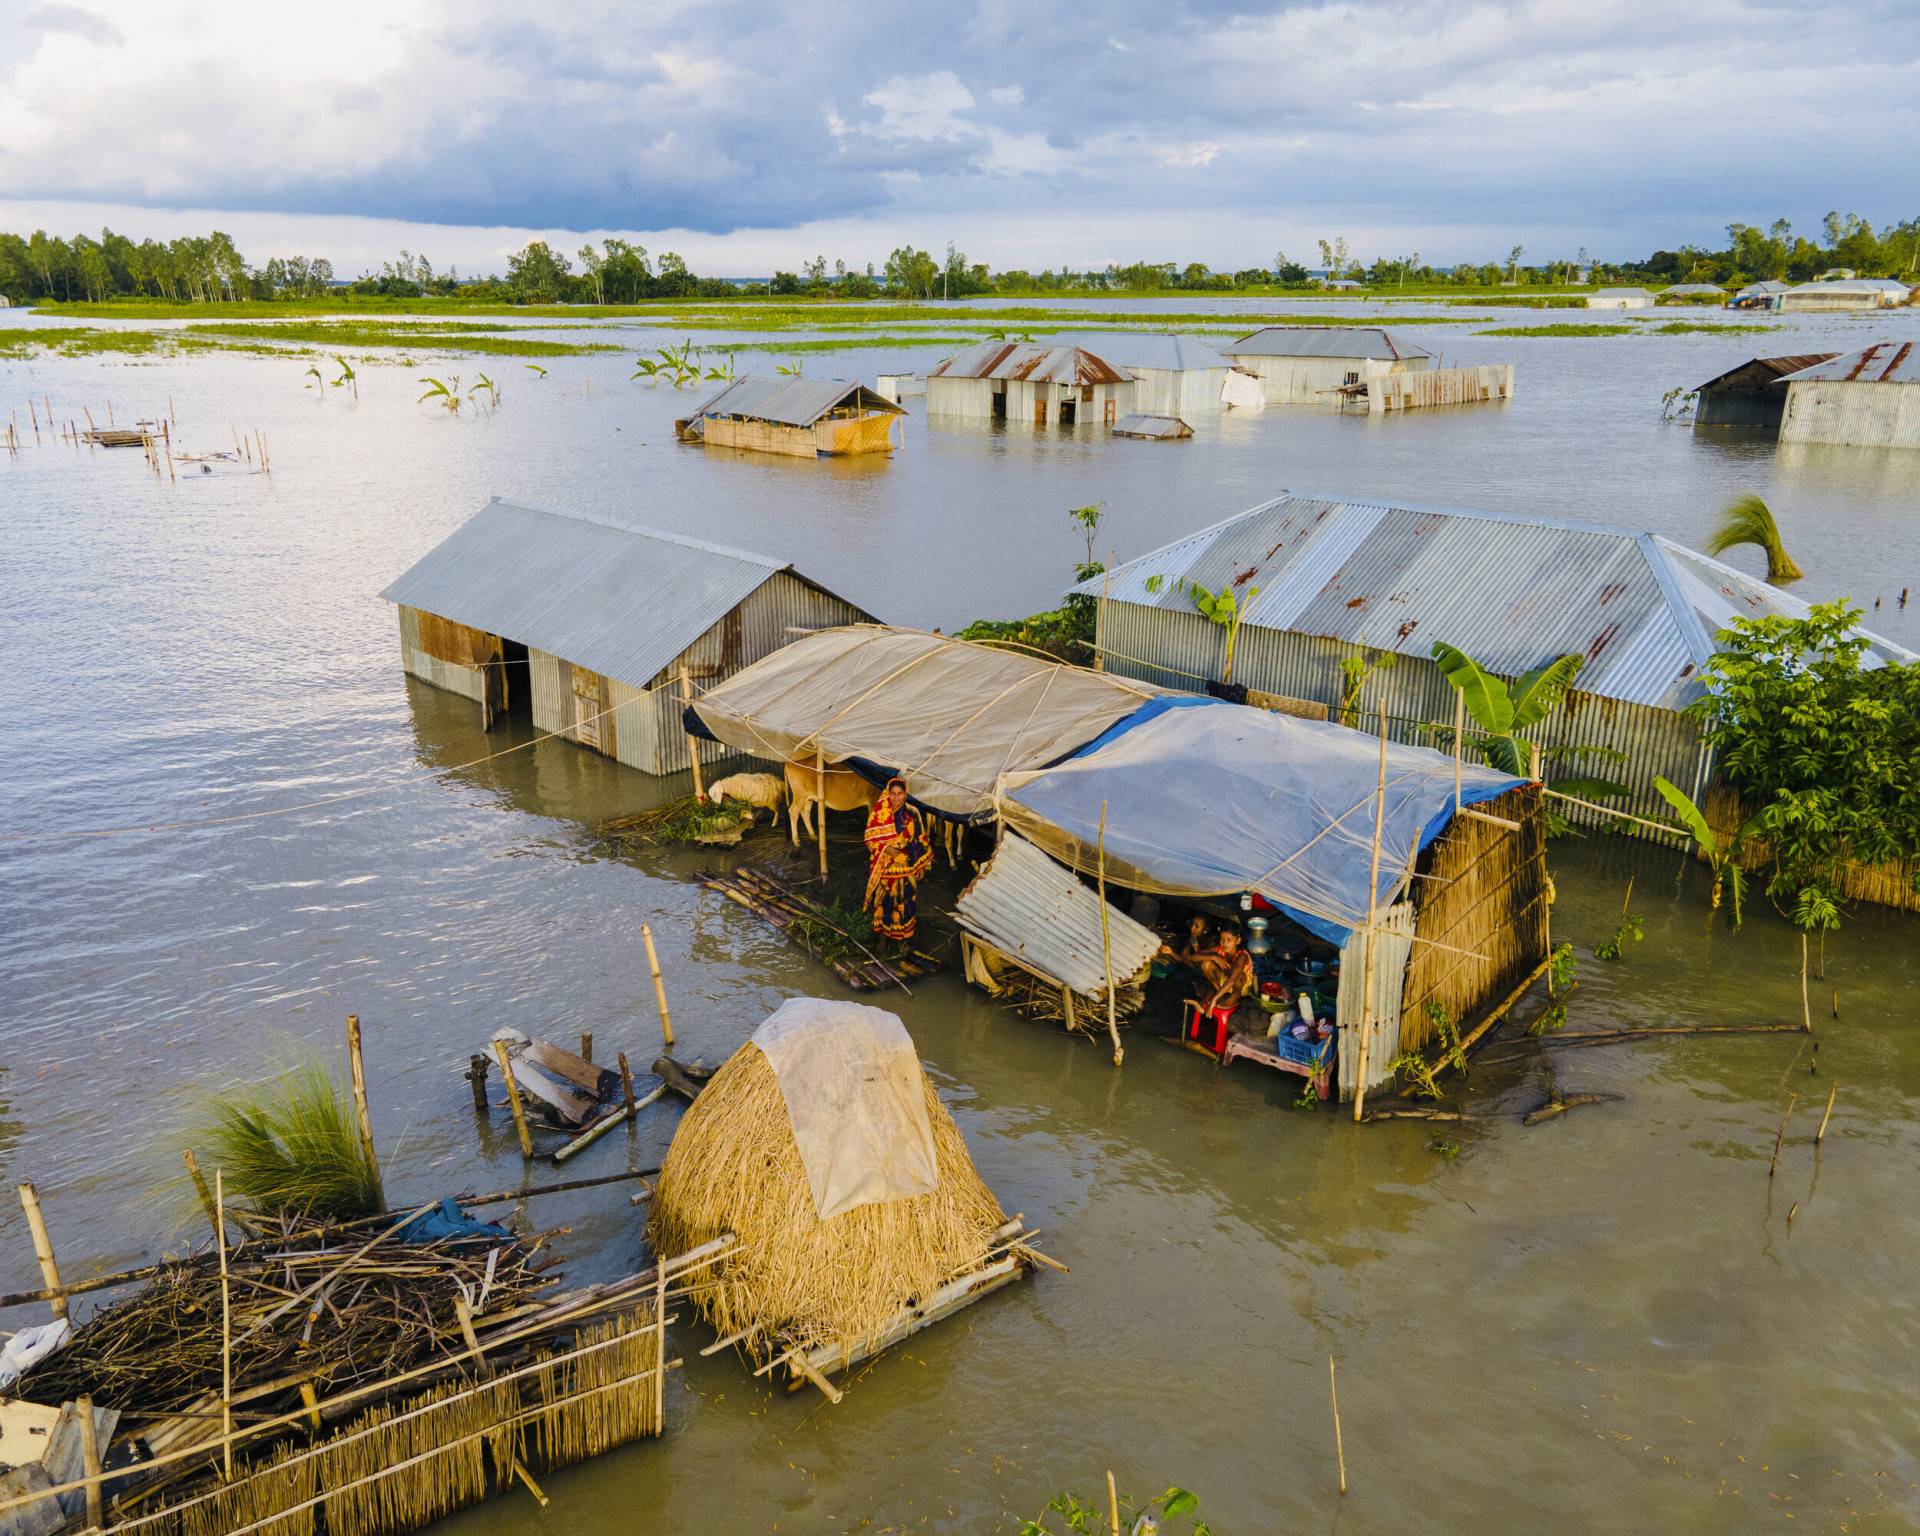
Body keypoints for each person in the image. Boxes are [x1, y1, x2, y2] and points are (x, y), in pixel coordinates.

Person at [863, 777, 933, 946]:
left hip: (907, 864)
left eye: (900, 793)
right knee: (884, 901)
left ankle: (903, 939)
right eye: (893, 794)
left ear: (905, 794)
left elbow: (920, 838)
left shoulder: (912, 813)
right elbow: (870, 838)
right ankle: (883, 938)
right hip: (886, 865)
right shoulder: (879, 813)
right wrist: (888, 850)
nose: (896, 797)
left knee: (906, 902)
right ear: (888, 793)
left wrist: (921, 865)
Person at [1192, 925, 1255, 1017]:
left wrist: (1214, 999)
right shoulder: (1220, 949)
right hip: (1224, 982)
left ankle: (1234, 997)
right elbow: (1193, 957)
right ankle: (1219, 993)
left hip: (1240, 987)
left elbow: (1232, 980)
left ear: (1238, 940)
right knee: (1206, 963)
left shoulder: (1242, 956)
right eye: (1222, 939)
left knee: (1238, 975)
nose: (1225, 943)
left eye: (1229, 940)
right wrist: (1213, 956)